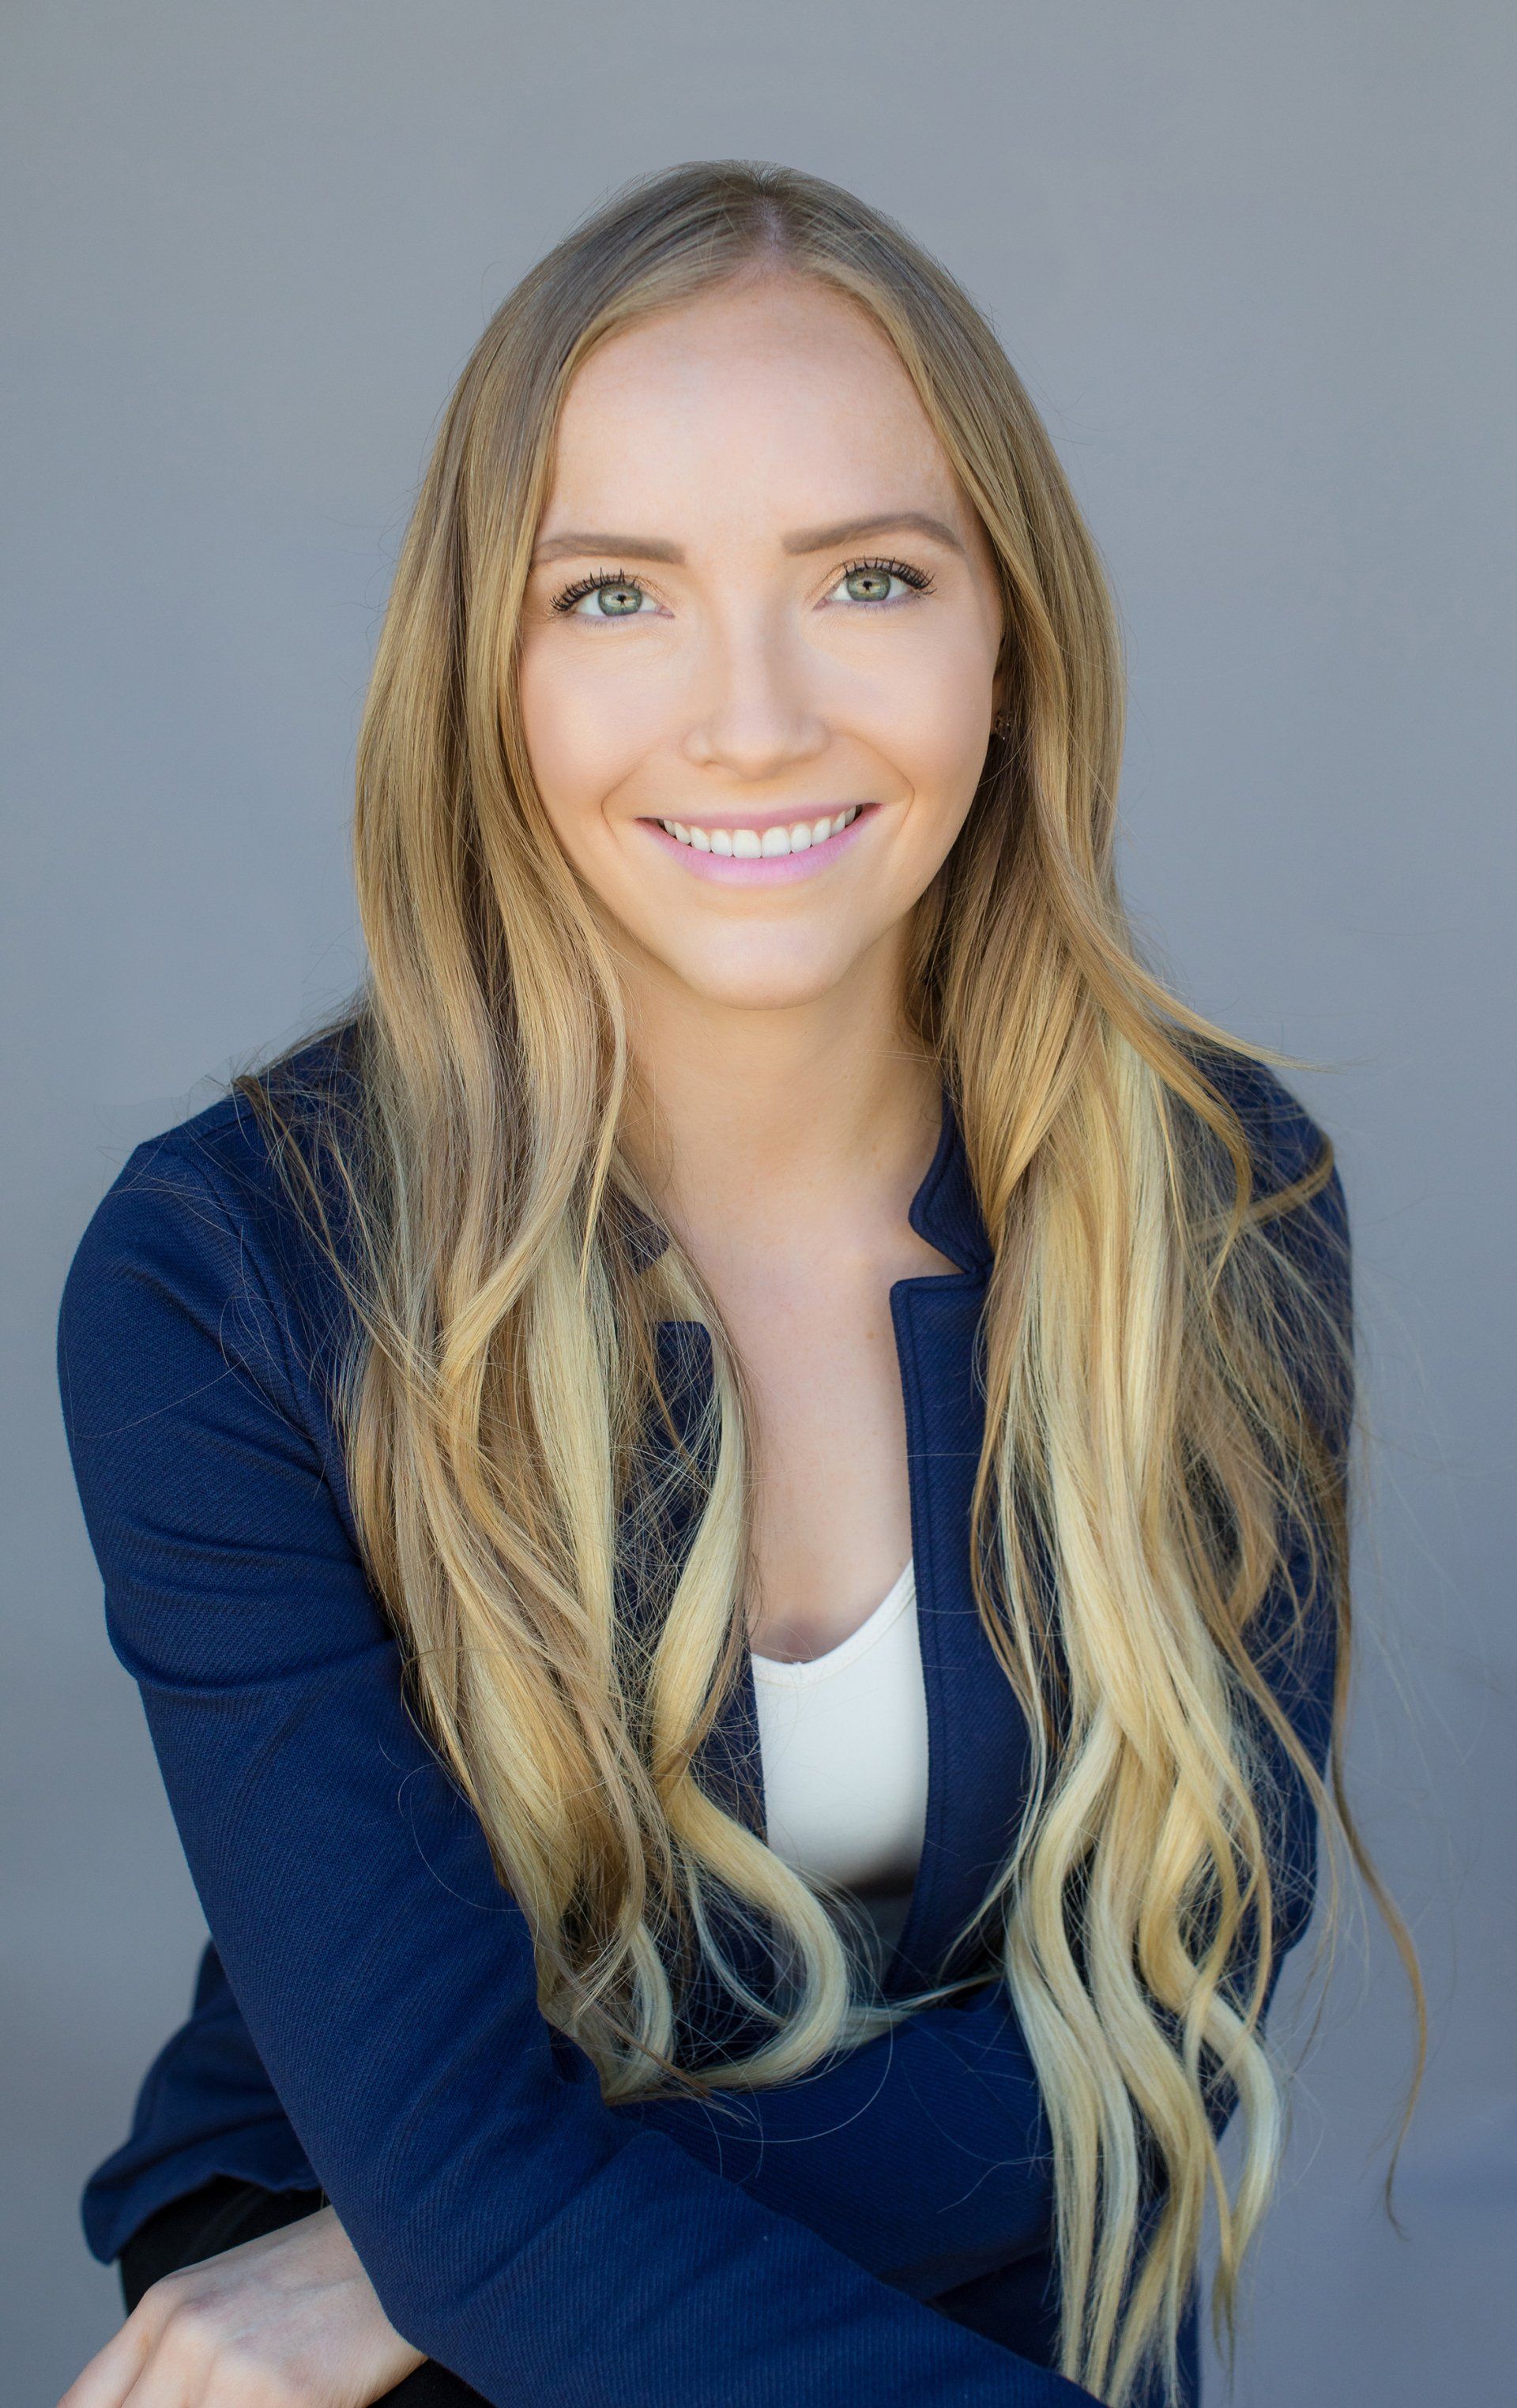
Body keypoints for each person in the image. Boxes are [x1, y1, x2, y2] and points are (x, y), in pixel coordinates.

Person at [53, 160, 1422, 2408]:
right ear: (485, 667)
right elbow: (441, 2155)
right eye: (618, 597)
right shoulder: (229, 1280)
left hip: (942, 2277)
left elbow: (1173, 1982)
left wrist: (416, 2255)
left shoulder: (1222, 1202)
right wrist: (440, 2261)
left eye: (868, 577)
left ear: (1011, 637)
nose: (755, 718)